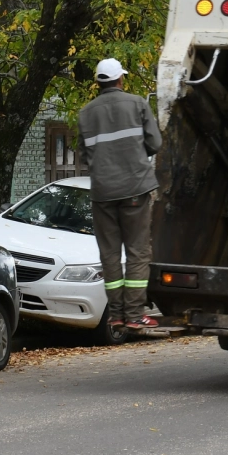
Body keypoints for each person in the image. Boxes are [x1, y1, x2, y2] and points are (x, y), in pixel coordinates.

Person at [78, 58, 163, 331]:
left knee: (110, 255)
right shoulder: (137, 103)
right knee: (138, 252)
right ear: (120, 79)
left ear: (99, 82)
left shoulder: (86, 113)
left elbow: (84, 154)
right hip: (135, 189)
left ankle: (115, 315)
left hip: (102, 193)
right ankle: (135, 314)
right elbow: (156, 143)